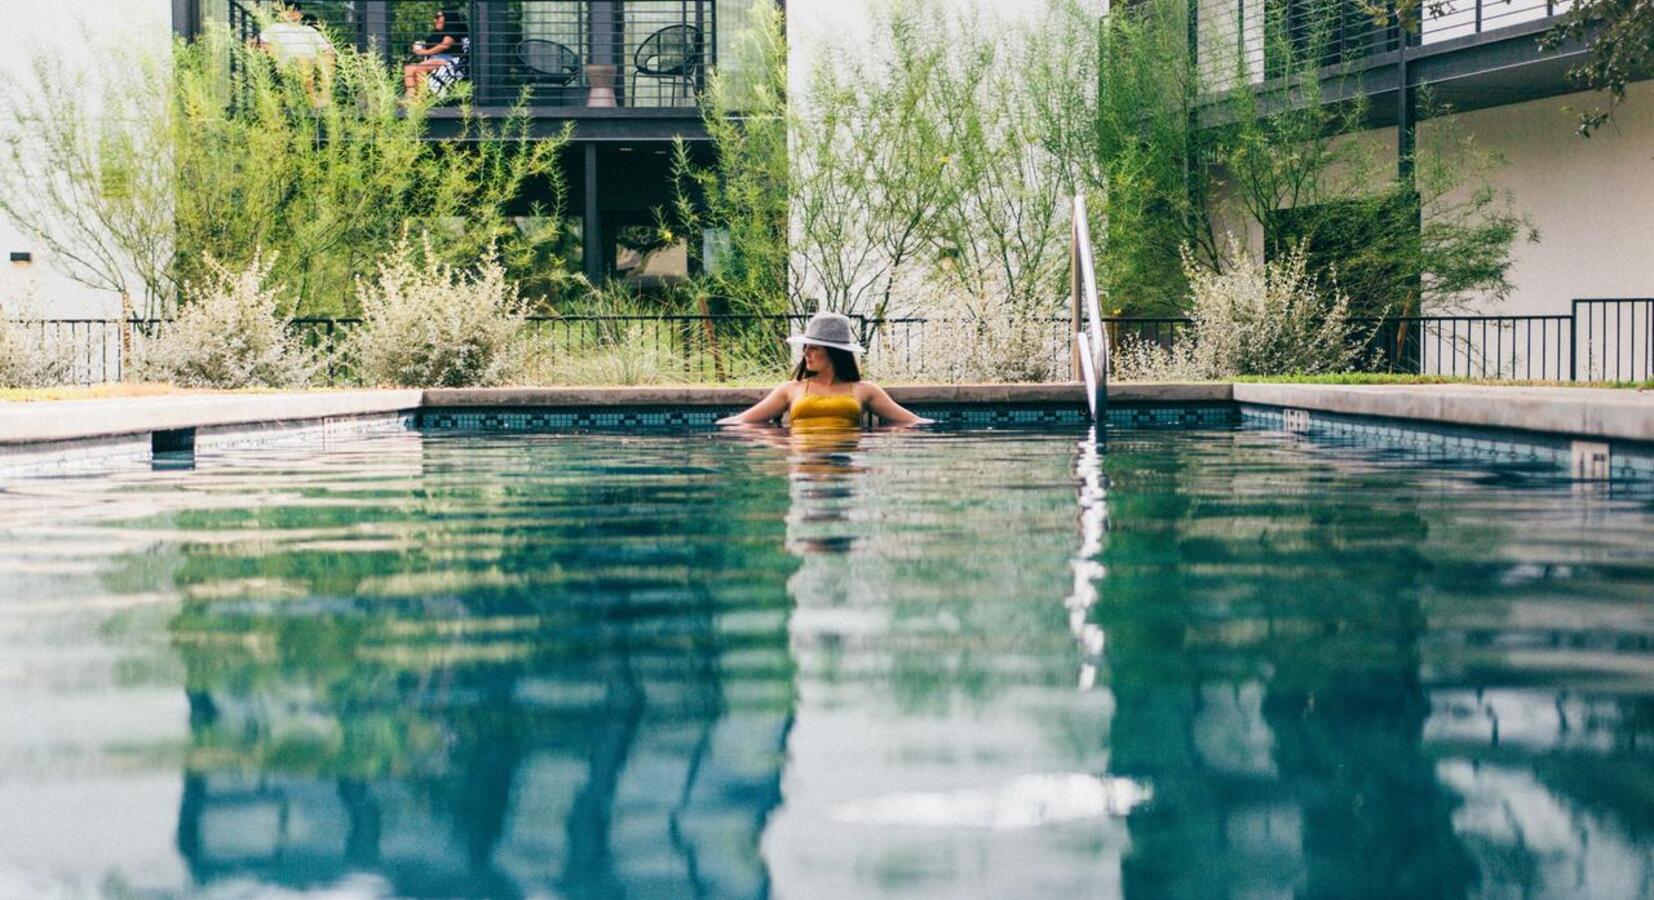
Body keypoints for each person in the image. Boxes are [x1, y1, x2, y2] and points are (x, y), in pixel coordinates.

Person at [717, 312, 932, 428]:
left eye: (813, 348)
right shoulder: (791, 389)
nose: (806, 354)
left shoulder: (864, 390)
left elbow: (911, 421)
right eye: (805, 348)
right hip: (805, 464)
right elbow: (746, 419)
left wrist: (872, 442)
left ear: (833, 353)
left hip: (844, 462)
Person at [403, 9, 469, 96]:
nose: (435, 20)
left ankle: (421, 98)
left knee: (420, 68)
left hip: (449, 60)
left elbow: (444, 45)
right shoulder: (437, 33)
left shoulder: (453, 30)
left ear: (447, 18)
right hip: (436, 59)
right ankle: (410, 97)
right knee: (409, 68)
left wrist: (425, 52)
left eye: (438, 17)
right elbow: (427, 43)